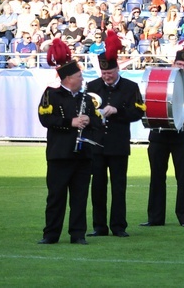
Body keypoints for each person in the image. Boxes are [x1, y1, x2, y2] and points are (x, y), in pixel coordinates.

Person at [37, 39, 103, 245]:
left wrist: (89, 120)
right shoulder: (52, 94)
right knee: (56, 197)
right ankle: (51, 234)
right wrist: (71, 122)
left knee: (80, 197)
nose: (82, 79)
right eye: (79, 76)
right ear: (67, 78)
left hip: (82, 155)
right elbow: (45, 119)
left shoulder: (86, 98)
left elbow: (98, 122)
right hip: (60, 154)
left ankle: (78, 234)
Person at [140, 35, 184, 228]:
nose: (180, 68)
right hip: (159, 136)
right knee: (157, 177)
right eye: (178, 64)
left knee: (183, 178)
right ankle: (155, 217)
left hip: (182, 138)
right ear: (172, 64)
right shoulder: (162, 84)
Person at [87, 32, 146, 238]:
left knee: (118, 187)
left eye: (110, 73)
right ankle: (99, 226)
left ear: (117, 69)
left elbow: (138, 111)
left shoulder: (131, 87)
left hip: (118, 143)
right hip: (97, 143)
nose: (106, 77)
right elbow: (85, 112)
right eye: (104, 73)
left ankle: (119, 226)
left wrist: (117, 111)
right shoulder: (92, 86)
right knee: (98, 188)